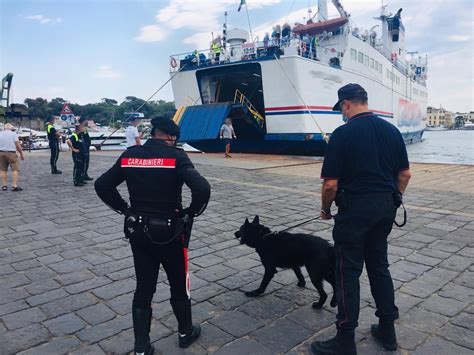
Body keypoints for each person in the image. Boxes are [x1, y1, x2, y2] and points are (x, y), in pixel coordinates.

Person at [95, 116, 211, 355]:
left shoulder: (129, 155)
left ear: (153, 132)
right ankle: (185, 332)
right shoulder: (177, 156)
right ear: (170, 136)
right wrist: (191, 213)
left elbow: (102, 185)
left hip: (138, 231)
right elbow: (202, 188)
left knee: (144, 288)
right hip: (170, 232)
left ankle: (141, 347)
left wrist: (124, 209)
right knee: (179, 284)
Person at [311, 84, 411, 355]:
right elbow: (405, 175)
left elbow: (330, 184)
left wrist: (325, 210)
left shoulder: (342, 135)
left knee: (347, 273)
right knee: (379, 266)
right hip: (384, 211)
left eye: (341, 109)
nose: (341, 114)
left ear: (346, 105)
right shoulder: (392, 131)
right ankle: (387, 331)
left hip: (354, 212)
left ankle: (345, 340)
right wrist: (394, 199)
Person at [0, 123, 24, 191]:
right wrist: (21, 154)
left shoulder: (0, 134)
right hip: (11, 153)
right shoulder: (14, 134)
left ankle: (4, 186)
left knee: (3, 170)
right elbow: (17, 145)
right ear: (11, 128)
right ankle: (14, 186)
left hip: (1, 153)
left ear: (4, 128)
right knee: (15, 170)